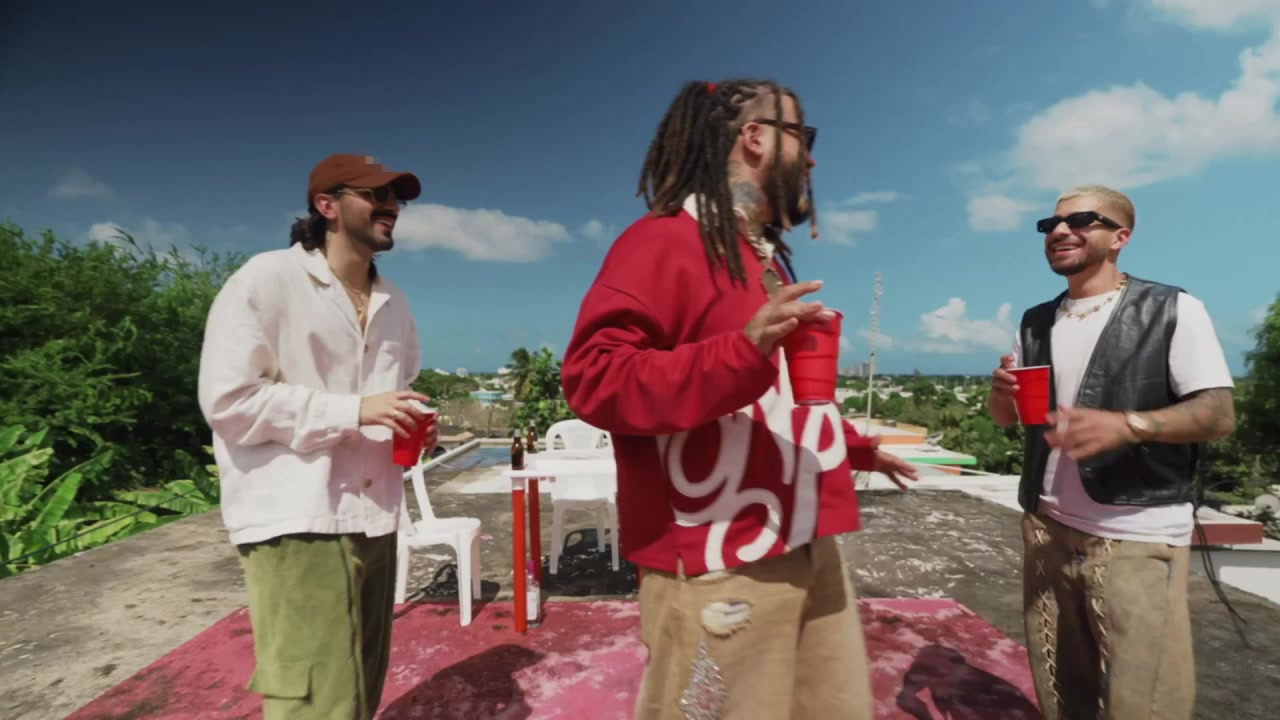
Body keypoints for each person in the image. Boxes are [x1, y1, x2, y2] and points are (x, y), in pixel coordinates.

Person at [560, 78, 918, 720]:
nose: (812, 160)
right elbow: (593, 378)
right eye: (803, 136)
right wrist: (743, 349)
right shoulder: (663, 241)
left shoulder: (761, 260)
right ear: (755, 138)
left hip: (805, 542)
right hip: (718, 562)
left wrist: (851, 449)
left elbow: (769, 397)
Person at [197, 153, 437, 719]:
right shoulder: (266, 280)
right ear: (327, 205)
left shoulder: (394, 301)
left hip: (376, 518)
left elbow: (394, 394)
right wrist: (356, 411)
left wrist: (411, 424)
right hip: (298, 517)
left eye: (396, 198)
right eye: (375, 195)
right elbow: (228, 402)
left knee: (362, 689)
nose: (391, 207)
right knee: (315, 700)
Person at [987, 185, 1235, 719]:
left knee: (1144, 700)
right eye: (1050, 224)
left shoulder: (1172, 308)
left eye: (1081, 220)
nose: (1059, 231)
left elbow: (1218, 413)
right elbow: (1010, 419)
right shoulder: (1035, 321)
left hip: (1136, 534)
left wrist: (1129, 425)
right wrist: (1000, 394)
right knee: (1062, 691)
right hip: (1048, 528)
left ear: (1120, 237)